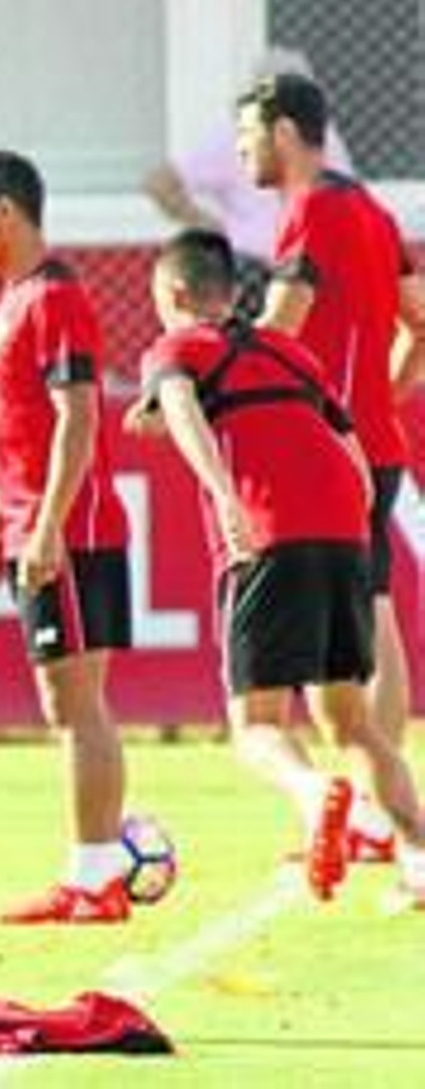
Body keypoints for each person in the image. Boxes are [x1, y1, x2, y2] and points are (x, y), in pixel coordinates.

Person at [125, 228, 425, 908]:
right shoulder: (292, 352)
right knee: (350, 722)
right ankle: (420, 855)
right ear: (231, 293)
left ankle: (317, 796)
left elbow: (176, 407)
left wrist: (224, 492)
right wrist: (358, 522)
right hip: (345, 536)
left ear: (173, 294)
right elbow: (346, 442)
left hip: (267, 534)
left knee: (257, 724)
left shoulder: (174, 348)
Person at [0, 150, 136, 924]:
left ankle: (95, 876)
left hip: (72, 530)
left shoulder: (55, 296)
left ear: (5, 214)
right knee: (70, 702)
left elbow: (78, 414)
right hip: (39, 523)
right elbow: (20, 429)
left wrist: (49, 523)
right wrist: (4, 513)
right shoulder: (15, 297)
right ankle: (96, 867)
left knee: (77, 703)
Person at [237, 71, 425, 858]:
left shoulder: (310, 212)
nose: (245, 150)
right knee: (374, 614)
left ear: (284, 133)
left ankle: (381, 817)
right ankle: (387, 812)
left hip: (327, 458)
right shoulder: (374, 211)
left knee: (344, 648)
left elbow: (280, 331)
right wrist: (379, 398)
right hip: (374, 447)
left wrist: (220, 376)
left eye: (249, 134)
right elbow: (421, 320)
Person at [142, 48, 351, 319]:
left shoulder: (237, 135)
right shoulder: (320, 139)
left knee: (249, 351)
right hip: (297, 268)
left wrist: (205, 226)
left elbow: (160, 183)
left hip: (252, 266)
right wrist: (207, 225)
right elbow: (345, 197)